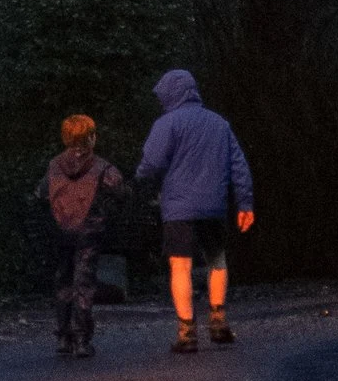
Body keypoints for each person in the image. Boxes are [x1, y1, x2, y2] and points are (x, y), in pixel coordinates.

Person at [135, 67, 254, 352]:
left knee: (180, 264)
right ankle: (218, 320)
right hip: (214, 205)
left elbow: (151, 163)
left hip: (178, 207)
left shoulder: (167, 123)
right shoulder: (219, 124)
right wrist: (245, 203)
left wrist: (140, 177)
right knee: (217, 260)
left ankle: (187, 331)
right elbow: (238, 165)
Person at [38, 113, 124, 357]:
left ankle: (64, 337)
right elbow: (120, 190)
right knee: (84, 283)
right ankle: (82, 339)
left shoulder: (55, 165)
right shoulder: (101, 167)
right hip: (89, 229)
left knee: (63, 280)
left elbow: (41, 192)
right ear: (92, 138)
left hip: (61, 229)